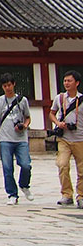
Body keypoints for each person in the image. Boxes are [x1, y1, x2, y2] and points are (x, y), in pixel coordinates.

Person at [0, 72, 34, 205]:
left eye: (9, 85)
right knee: (7, 167)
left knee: (26, 165)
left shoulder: (22, 100)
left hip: (21, 139)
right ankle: (12, 194)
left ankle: (24, 184)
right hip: (5, 138)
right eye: (4, 86)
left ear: (14, 84)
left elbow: (28, 117)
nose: (7, 88)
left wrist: (24, 126)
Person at [49, 70, 83, 207]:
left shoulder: (81, 100)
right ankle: (66, 194)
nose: (66, 83)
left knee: (82, 169)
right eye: (65, 81)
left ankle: (81, 195)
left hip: (80, 138)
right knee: (62, 164)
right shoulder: (60, 98)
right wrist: (58, 123)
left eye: (69, 81)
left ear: (77, 83)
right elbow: (51, 113)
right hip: (64, 138)